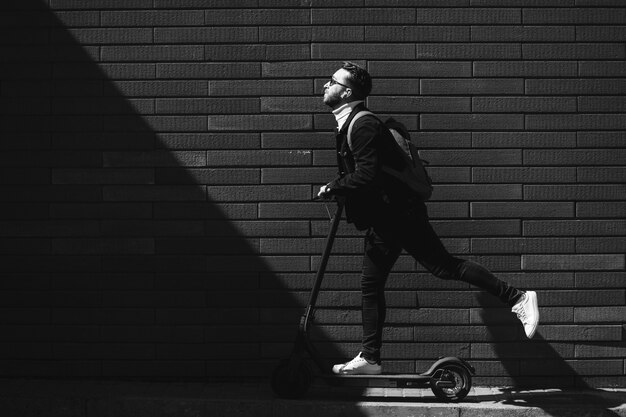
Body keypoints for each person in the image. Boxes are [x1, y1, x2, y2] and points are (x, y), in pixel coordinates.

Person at [317, 61, 539, 376]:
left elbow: (365, 174)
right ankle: (370, 358)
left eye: (332, 81)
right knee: (374, 283)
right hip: (387, 218)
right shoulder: (350, 122)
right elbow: (372, 174)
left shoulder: (362, 124)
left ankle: (518, 297)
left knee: (442, 266)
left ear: (347, 91)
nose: (326, 85)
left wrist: (334, 186)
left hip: (399, 216)